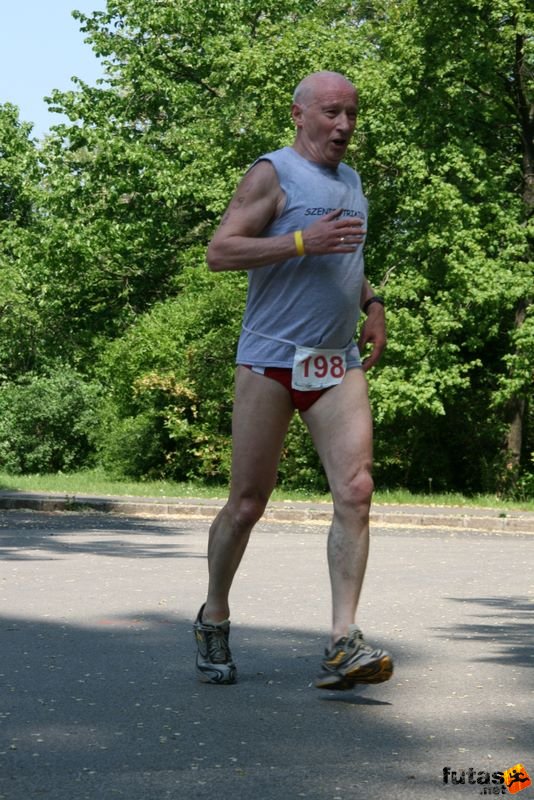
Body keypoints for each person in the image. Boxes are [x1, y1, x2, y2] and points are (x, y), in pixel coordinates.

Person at [193, 70, 393, 690]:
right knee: (249, 503)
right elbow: (222, 251)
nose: (344, 126)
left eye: (352, 114)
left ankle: (342, 642)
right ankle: (214, 615)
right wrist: (301, 240)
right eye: (332, 112)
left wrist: (372, 302)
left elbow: (343, 254)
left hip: (335, 362)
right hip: (271, 359)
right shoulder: (270, 174)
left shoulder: (352, 180)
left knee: (356, 490)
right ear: (299, 114)